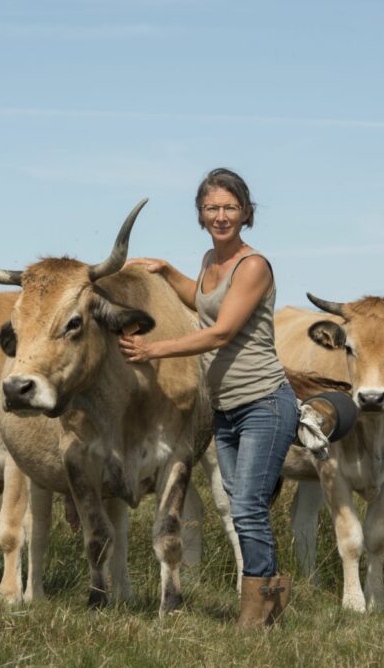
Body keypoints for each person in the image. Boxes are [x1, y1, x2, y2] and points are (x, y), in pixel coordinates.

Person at [119, 167, 297, 629]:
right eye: (212, 208)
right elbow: (201, 301)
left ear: (246, 212)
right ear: (201, 214)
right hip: (226, 409)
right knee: (244, 501)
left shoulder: (252, 265)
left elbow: (220, 330)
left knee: (246, 506)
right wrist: (165, 270)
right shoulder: (209, 260)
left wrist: (152, 349)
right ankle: (270, 600)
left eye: (230, 207)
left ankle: (254, 614)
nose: (221, 216)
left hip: (264, 402)